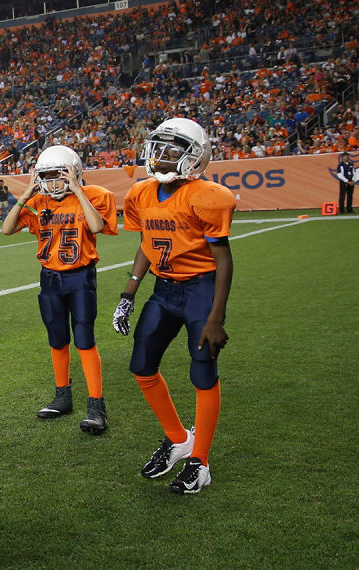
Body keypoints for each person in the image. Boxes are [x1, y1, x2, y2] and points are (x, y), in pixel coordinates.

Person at [113, 118, 235, 495]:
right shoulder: (141, 193)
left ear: (195, 157)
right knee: (141, 366)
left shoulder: (207, 195)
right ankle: (178, 438)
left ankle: (200, 460)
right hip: (164, 290)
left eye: (172, 149)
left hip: (200, 290)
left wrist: (215, 317)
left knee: (202, 371)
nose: (161, 156)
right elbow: (149, 243)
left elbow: (224, 260)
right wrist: (129, 292)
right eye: (158, 147)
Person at [1, 145, 117, 433]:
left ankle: (96, 406)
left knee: (84, 340)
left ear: (75, 173)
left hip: (80, 277)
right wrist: (26, 194)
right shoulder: (38, 201)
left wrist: (77, 191)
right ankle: (62, 396)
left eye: (60, 176)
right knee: (57, 339)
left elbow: (97, 226)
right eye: (48, 177)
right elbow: (6, 228)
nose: (53, 183)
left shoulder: (95, 196)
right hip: (50, 279)